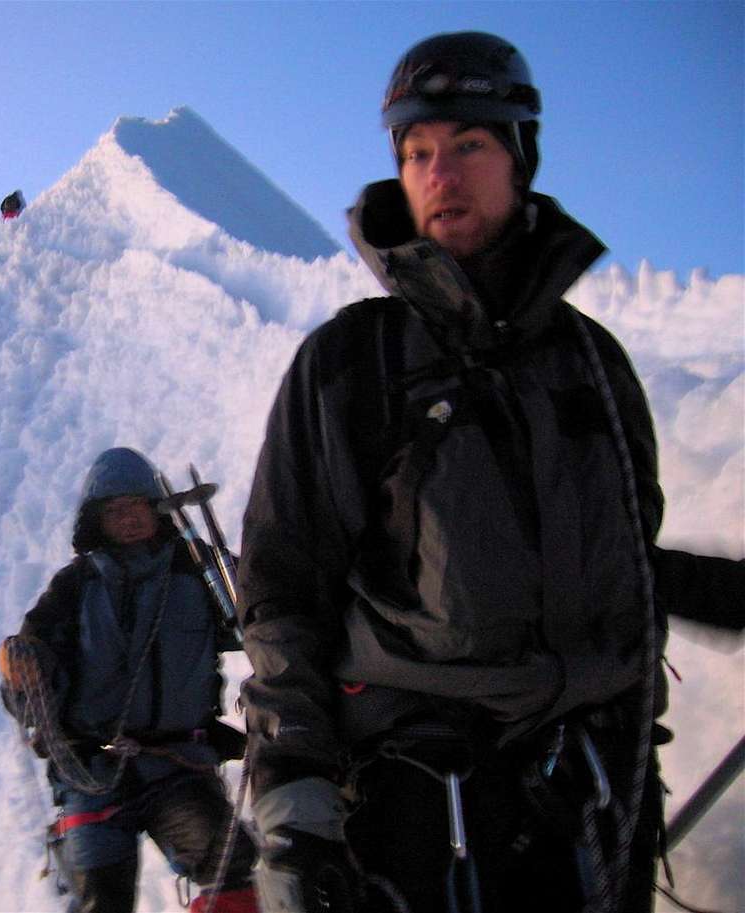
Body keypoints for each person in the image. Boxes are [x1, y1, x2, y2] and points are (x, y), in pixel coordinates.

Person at [235, 31, 744, 913]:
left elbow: (620, 561)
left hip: (595, 792)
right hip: (423, 802)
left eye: (469, 144)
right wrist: (292, 796)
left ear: (521, 160)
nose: (441, 172)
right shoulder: (353, 362)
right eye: (418, 152)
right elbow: (284, 588)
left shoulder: (593, 364)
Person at [0, 447, 258, 913]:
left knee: (230, 863)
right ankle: (71, 848)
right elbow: (29, 662)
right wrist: (22, 676)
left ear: (158, 510)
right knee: (104, 898)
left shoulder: (201, 571)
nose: (129, 518)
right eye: (115, 510)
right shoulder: (73, 587)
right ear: (96, 521)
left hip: (178, 763)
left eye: (138, 506)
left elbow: (262, 615)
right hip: (93, 770)